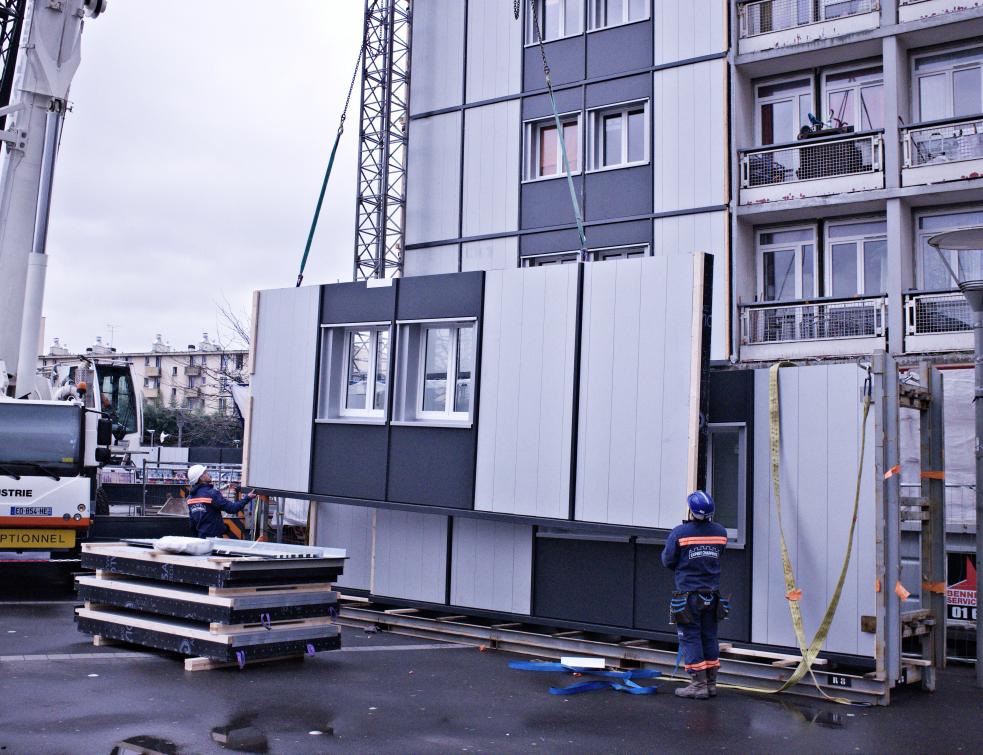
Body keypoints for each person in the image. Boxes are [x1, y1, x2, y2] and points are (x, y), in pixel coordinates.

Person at [661, 490, 729, 700]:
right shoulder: (720, 532)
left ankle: (697, 685)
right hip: (713, 595)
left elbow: (668, 561)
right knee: (709, 636)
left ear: (690, 510)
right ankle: (710, 684)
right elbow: (718, 555)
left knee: (690, 637)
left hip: (688, 596)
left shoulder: (680, 533)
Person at [185, 464, 255, 539]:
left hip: (201, 539)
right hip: (214, 540)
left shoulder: (190, 498)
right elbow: (232, 508)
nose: (208, 474)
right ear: (201, 478)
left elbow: (192, 524)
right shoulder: (212, 494)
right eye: (205, 472)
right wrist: (247, 498)